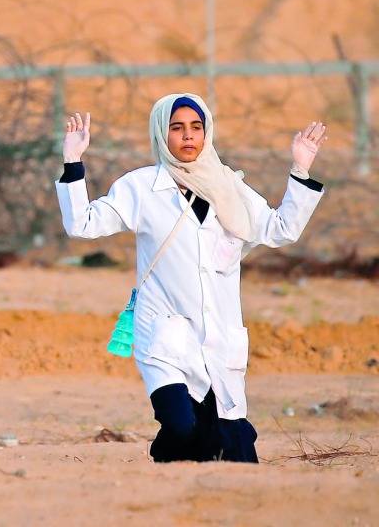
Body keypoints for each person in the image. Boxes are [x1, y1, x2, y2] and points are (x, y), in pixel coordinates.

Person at [56, 93, 327, 463]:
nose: (188, 136)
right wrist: (72, 161)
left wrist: (300, 171)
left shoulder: (230, 188)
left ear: (206, 133)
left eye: (196, 127)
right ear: (161, 134)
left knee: (231, 453)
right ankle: (163, 459)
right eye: (177, 128)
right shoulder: (141, 187)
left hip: (218, 339)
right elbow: (82, 224)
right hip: (165, 337)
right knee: (180, 424)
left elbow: (281, 229)